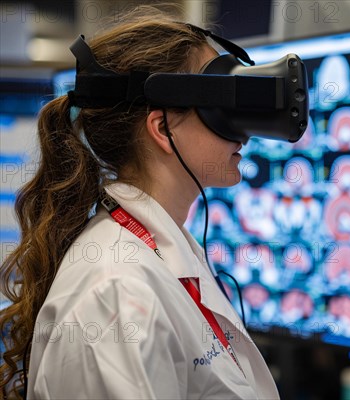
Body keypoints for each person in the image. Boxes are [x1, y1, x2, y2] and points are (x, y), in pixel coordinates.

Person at [0, 6, 281, 399]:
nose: (244, 133)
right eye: (222, 105)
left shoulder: (160, 255)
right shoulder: (115, 294)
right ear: (163, 128)